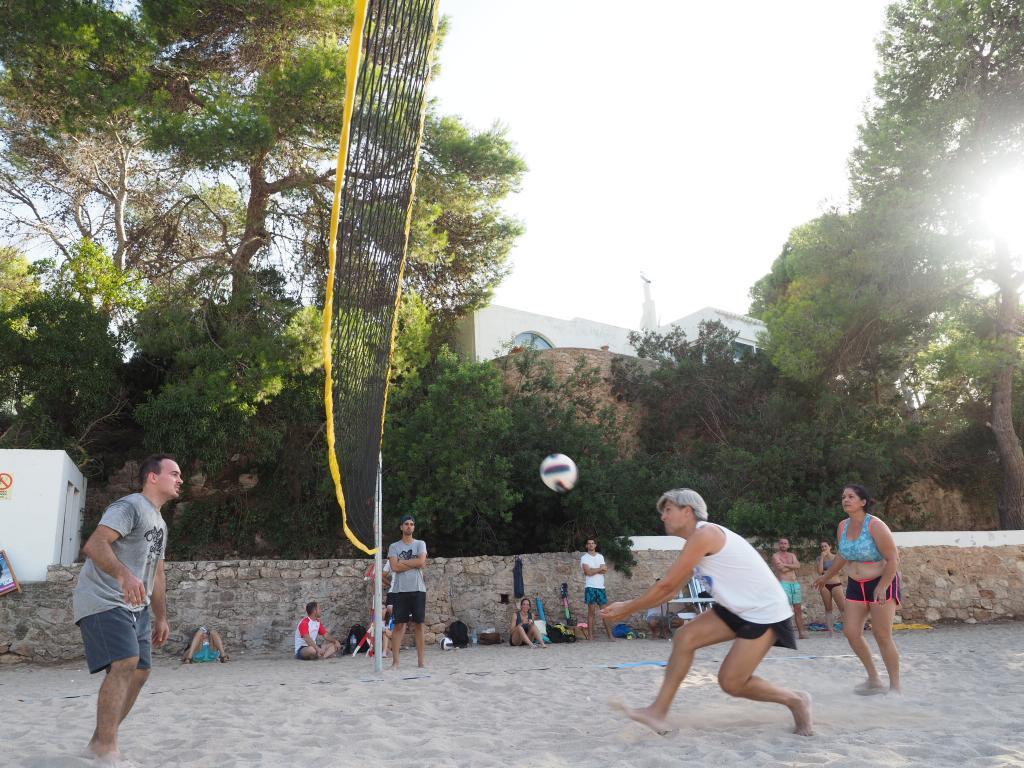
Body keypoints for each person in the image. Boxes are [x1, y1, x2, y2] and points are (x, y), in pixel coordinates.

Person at [602, 488, 812, 737]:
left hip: (764, 612)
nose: (663, 517)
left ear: (687, 511)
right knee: (685, 638)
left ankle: (796, 700)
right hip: (736, 608)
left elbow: (666, 586)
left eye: (668, 510)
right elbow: (670, 591)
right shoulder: (696, 542)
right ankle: (657, 712)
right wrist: (628, 604)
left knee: (732, 682)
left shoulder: (706, 534)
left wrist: (627, 608)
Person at [72, 454, 180, 764]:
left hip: (138, 608)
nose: (180, 479)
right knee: (125, 661)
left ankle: (100, 741)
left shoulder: (160, 522)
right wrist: (124, 575)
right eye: (174, 473)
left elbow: (157, 573)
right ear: (152, 477)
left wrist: (161, 616)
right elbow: (94, 545)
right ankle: (107, 748)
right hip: (103, 598)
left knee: (142, 671)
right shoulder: (129, 506)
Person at [814, 484, 901, 695]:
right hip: (855, 585)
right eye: (843, 496)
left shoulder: (876, 526)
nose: (845, 500)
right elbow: (843, 555)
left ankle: (896, 688)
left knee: (882, 635)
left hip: (880, 582)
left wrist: (883, 586)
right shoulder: (842, 526)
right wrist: (826, 576)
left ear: (863, 502)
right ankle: (873, 679)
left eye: (851, 496)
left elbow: (893, 559)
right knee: (851, 632)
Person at [388, 514, 428, 668]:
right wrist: (415, 563)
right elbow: (394, 567)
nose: (409, 526)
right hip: (400, 590)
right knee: (398, 626)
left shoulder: (420, 544)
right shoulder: (394, 546)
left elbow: (421, 561)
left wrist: (403, 561)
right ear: (401, 527)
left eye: (411, 524)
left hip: (418, 589)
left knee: (419, 625)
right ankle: (396, 661)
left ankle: (421, 661)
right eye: (406, 524)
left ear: (414, 527)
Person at [771, 538, 808, 639]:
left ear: (788, 545)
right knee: (784, 609)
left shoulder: (792, 555)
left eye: (785, 543)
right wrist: (792, 566)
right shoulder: (776, 556)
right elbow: (781, 569)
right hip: (784, 583)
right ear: (779, 545)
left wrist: (786, 564)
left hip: (794, 584)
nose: (783, 545)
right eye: (781, 543)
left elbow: (798, 565)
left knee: (798, 609)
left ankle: (801, 633)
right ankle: (785, 634)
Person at [581, 538, 614, 640]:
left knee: (605, 612)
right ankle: (590, 637)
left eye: (592, 543)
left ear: (595, 545)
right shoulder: (584, 558)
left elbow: (604, 571)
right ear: (587, 546)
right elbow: (588, 572)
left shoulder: (600, 557)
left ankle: (610, 636)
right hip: (590, 587)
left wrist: (593, 570)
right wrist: (599, 569)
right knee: (591, 612)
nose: (591, 545)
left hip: (600, 587)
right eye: (589, 543)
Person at [815, 541, 846, 637]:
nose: (824, 548)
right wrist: (822, 558)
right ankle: (830, 631)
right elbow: (820, 572)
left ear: (830, 546)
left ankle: (847, 629)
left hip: (836, 584)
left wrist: (827, 572)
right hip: (824, 585)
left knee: (843, 607)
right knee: (828, 608)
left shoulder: (836, 557)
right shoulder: (819, 558)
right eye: (822, 546)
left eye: (825, 546)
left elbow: (839, 571)